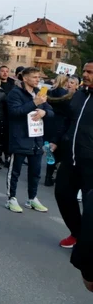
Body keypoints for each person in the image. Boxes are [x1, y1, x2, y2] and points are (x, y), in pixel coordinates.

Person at [4, 67, 53, 213]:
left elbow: (51, 112)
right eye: (34, 77)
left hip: (37, 139)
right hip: (20, 137)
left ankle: (32, 198)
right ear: (25, 78)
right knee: (15, 171)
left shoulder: (39, 93)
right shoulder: (15, 93)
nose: (38, 80)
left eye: (39, 77)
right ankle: (11, 198)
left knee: (35, 172)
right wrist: (34, 103)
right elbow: (14, 112)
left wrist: (44, 112)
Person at [53, 65, 91, 249]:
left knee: (90, 205)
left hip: (91, 163)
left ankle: (87, 243)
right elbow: (66, 121)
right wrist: (56, 140)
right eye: (84, 71)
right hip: (71, 158)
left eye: (90, 72)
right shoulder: (79, 95)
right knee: (62, 193)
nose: (85, 74)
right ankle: (77, 233)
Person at [43, 74, 71, 186]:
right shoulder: (66, 95)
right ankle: (53, 176)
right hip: (61, 123)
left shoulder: (49, 92)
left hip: (49, 121)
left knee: (50, 150)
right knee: (59, 151)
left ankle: (48, 176)